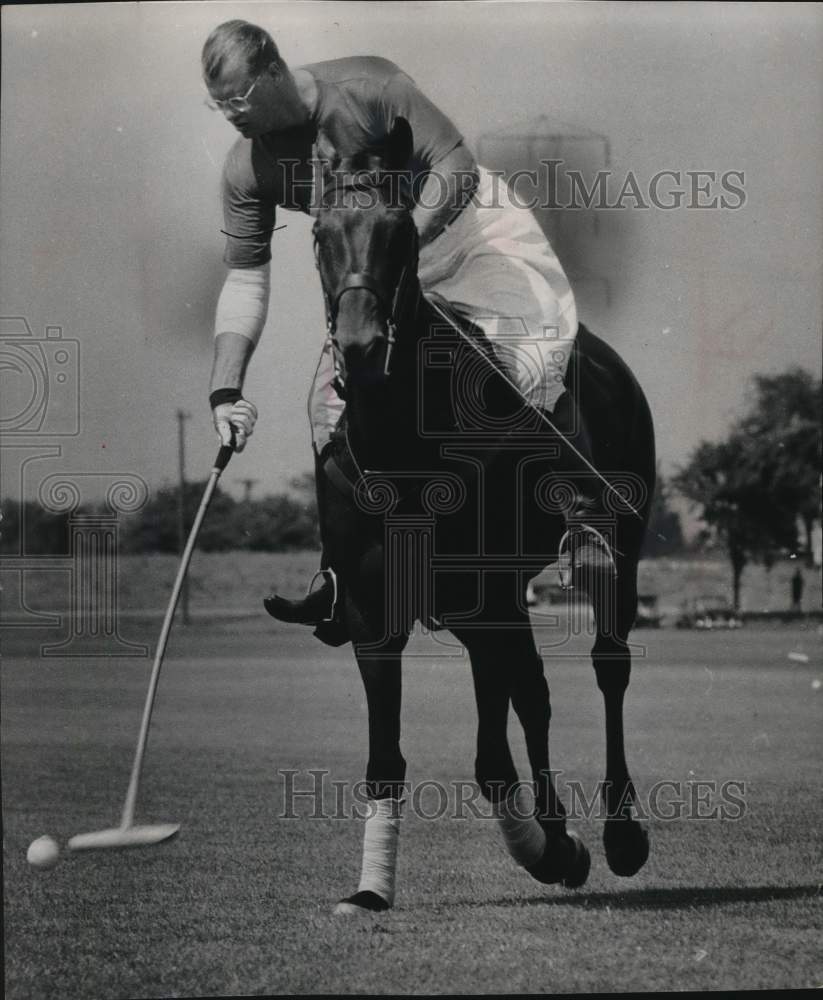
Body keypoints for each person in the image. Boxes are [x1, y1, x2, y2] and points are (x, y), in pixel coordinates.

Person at [201, 19, 617, 641]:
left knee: (529, 358)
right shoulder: (246, 168)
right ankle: (338, 574)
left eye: (238, 100)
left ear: (272, 73)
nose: (230, 115)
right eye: (218, 105)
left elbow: (457, 165)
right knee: (325, 402)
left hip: (463, 232)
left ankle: (582, 516)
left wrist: (401, 249)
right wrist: (225, 391)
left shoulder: (371, 84)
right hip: (370, 264)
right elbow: (245, 280)